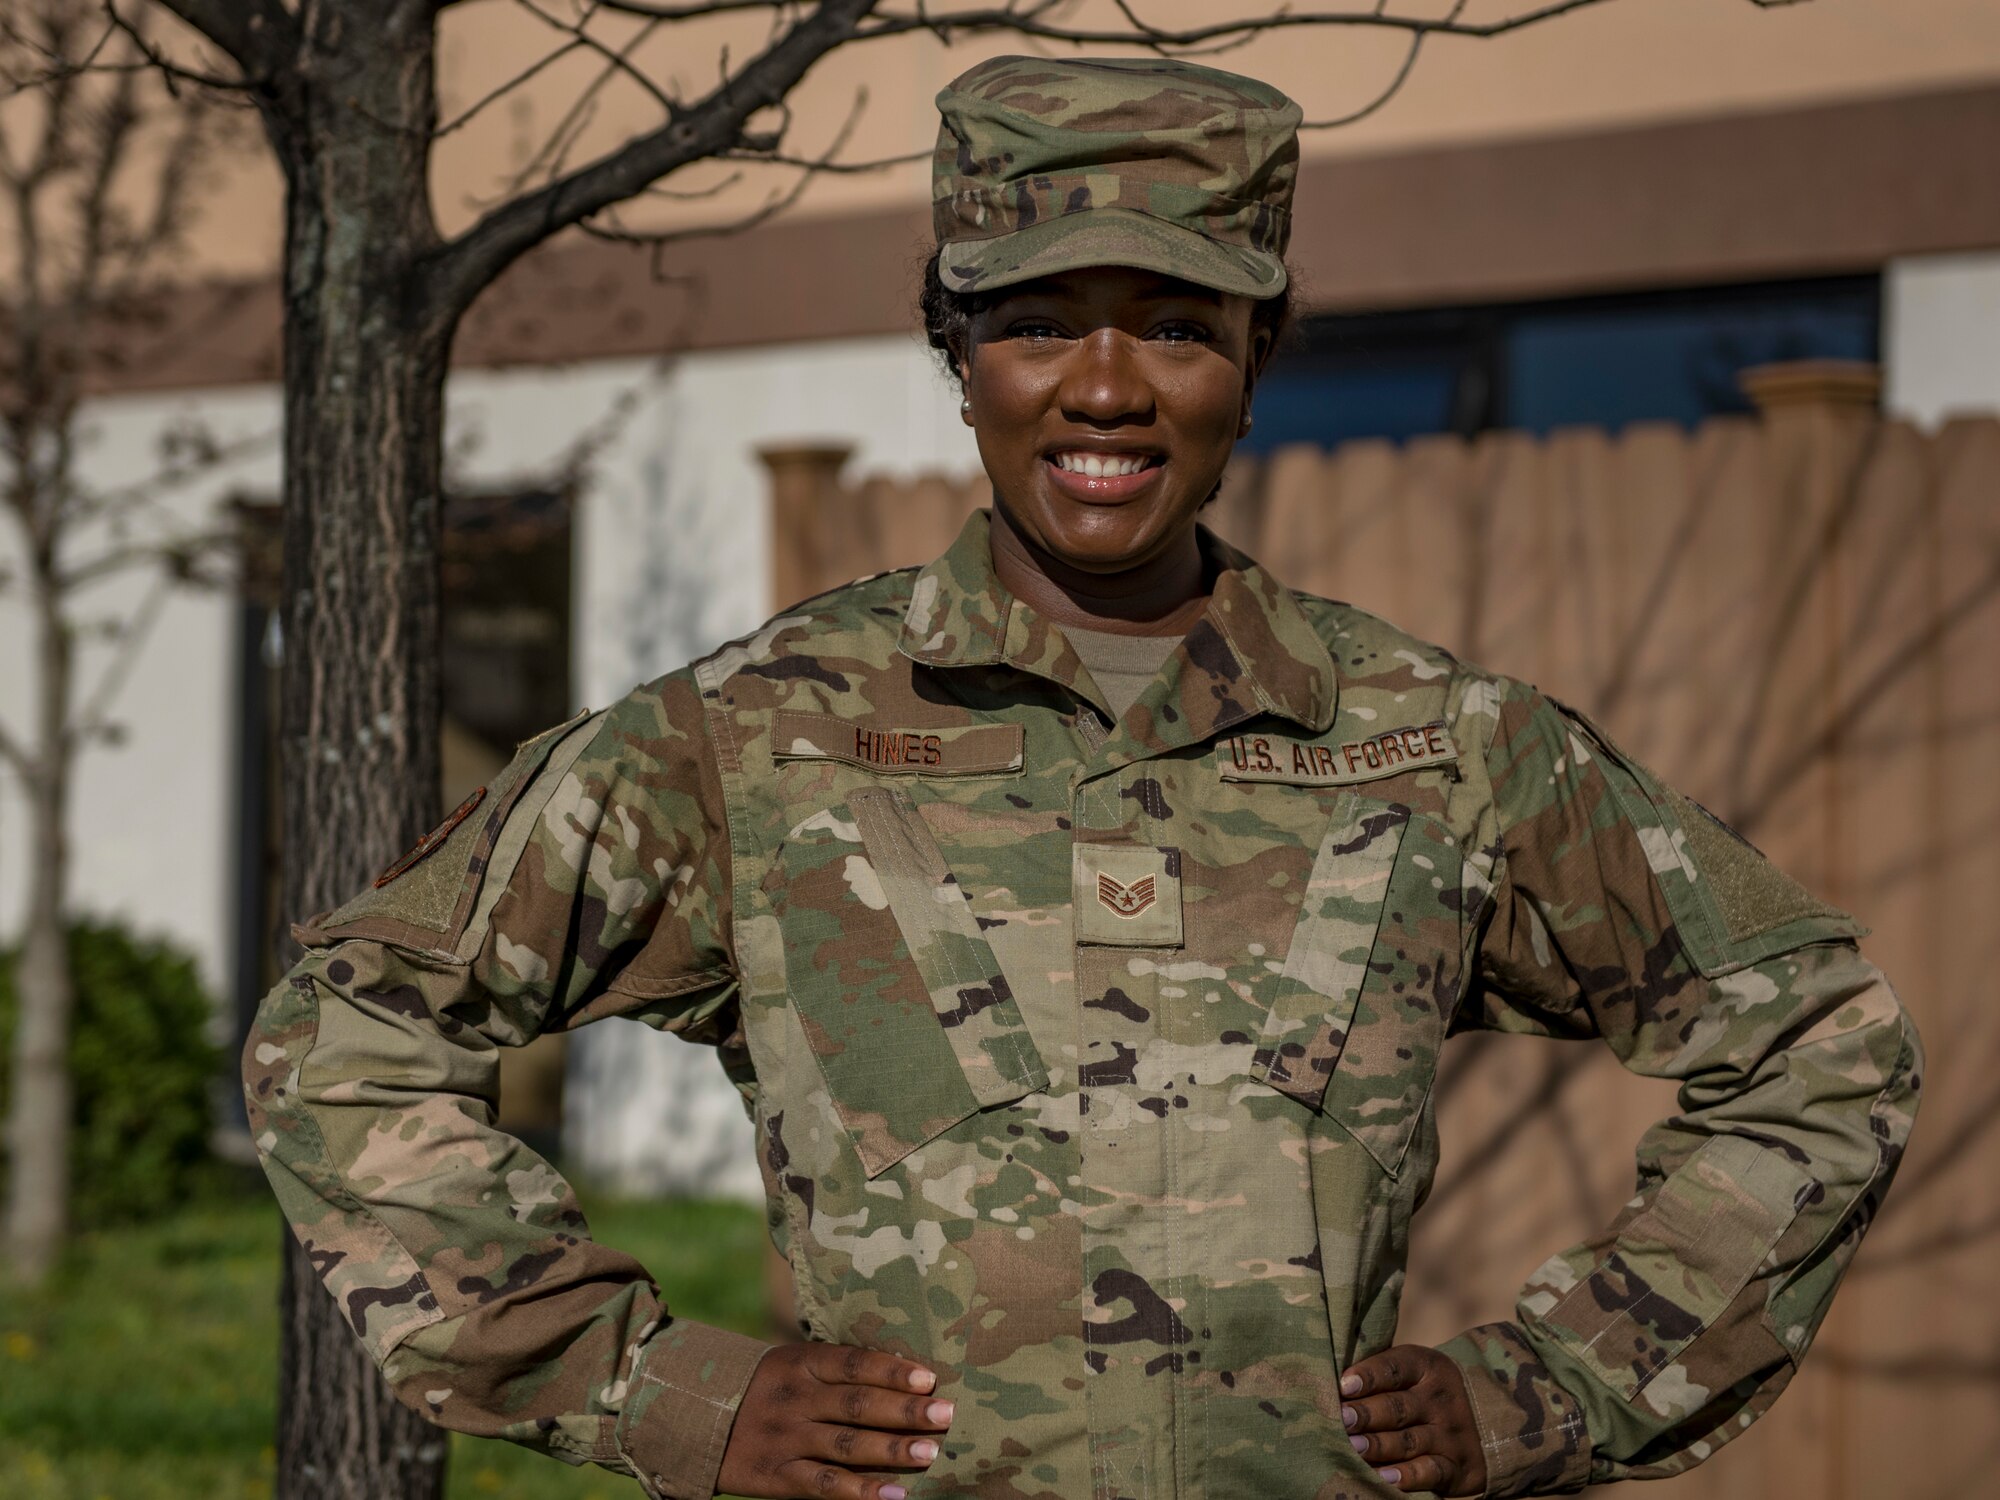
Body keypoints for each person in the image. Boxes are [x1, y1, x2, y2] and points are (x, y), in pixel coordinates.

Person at [245, 54, 1920, 1500]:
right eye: (1038, 323)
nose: (1105, 388)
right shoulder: (755, 738)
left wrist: (1557, 1389)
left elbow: (1821, 1049)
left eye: (1178, 328)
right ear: (954, 351)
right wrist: (661, 1390)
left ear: (1257, 361)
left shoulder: (1438, 745)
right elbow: (346, 1037)